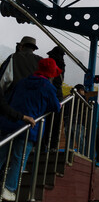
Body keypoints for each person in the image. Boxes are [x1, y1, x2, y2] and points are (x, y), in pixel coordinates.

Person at [0, 58, 61, 201]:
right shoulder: (47, 87)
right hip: (28, 127)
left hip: (10, 122)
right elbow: (56, 107)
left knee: (2, 154)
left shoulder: (22, 82)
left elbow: (10, 98)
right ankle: (9, 189)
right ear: (51, 73)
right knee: (18, 159)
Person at [43, 46, 66, 151]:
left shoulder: (49, 64)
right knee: (56, 122)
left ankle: (43, 144)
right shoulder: (62, 66)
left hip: (48, 94)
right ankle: (53, 146)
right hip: (58, 96)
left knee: (45, 121)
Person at [64, 84, 87, 153]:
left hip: (67, 122)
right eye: (83, 91)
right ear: (80, 90)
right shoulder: (82, 98)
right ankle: (82, 154)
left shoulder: (68, 98)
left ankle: (68, 154)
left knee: (69, 141)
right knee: (80, 140)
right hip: (78, 122)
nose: (84, 93)